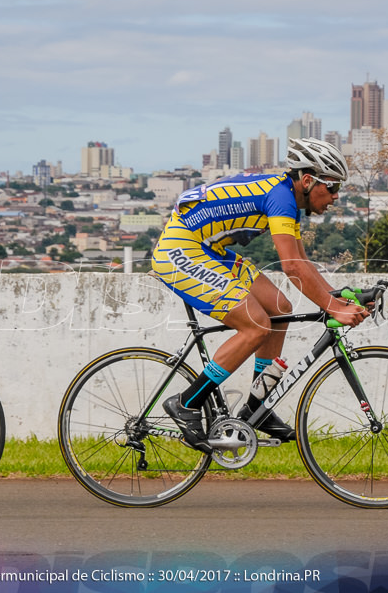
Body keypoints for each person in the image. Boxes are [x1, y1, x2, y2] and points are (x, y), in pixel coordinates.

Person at [150, 137, 369, 453]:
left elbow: (301, 262)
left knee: (279, 307)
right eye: (332, 187)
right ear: (308, 181)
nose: (336, 197)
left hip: (209, 249)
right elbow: (291, 267)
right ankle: (187, 402)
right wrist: (334, 307)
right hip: (180, 250)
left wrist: (338, 297)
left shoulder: (288, 199)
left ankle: (256, 406)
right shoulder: (280, 198)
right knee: (255, 324)